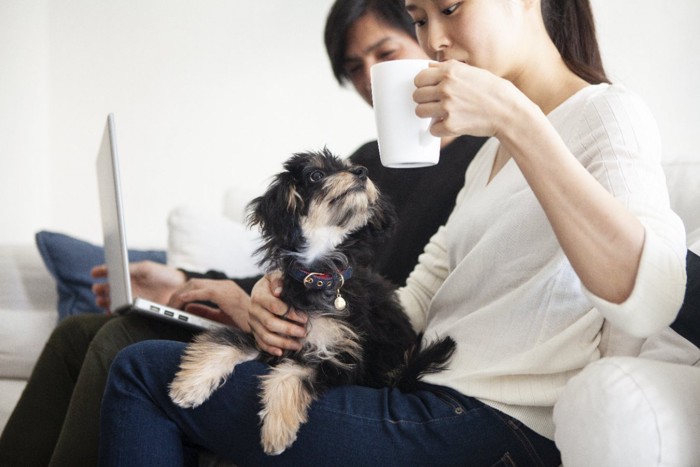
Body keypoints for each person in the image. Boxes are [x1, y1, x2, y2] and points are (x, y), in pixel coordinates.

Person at [98, 0, 688, 465]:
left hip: (500, 427)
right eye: (419, 18)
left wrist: (515, 116)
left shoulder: (606, 116)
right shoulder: (487, 161)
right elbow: (411, 303)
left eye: (450, 8)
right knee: (150, 355)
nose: (434, 42)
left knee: (140, 373)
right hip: (429, 398)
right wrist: (290, 301)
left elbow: (653, 301)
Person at [0, 1, 485, 466]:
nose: (369, 79)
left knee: (119, 340)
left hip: (351, 341)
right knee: (73, 334)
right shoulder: (366, 159)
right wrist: (184, 278)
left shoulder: (480, 159)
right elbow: (302, 259)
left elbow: (383, 297)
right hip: (296, 313)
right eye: (354, 67)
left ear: (429, 41)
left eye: (385, 54)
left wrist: (260, 307)